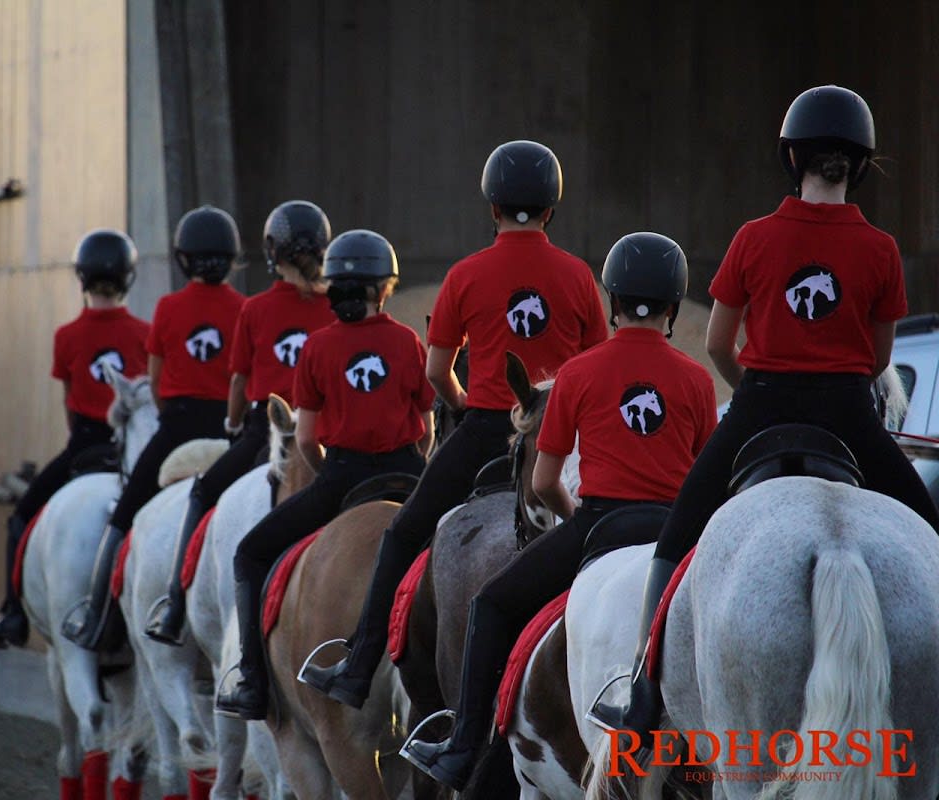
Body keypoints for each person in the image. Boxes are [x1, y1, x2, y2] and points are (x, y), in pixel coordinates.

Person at [590, 85, 939, 739]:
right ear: (858, 164)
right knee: (929, 531)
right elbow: (877, 356)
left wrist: (752, 388)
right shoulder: (882, 250)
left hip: (760, 405)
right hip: (850, 416)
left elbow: (721, 342)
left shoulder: (753, 238)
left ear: (792, 159)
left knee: (678, 531)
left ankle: (640, 691)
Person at [401, 232, 717, 789]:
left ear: (612, 302)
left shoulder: (576, 374)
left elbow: (544, 482)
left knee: (491, 603)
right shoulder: (695, 380)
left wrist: (576, 518)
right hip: (672, 535)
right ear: (674, 307)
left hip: (600, 525)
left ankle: (463, 744)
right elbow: (705, 485)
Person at [300, 140, 608, 708]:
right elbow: (597, 368)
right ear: (551, 209)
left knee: (402, 533)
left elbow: (438, 372)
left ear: (492, 208)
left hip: (489, 428)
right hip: (567, 438)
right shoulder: (579, 276)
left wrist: (466, 407)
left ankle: (359, 661)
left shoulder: (466, 275)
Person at [213, 229, 435, 720]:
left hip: (341, 477)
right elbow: (426, 426)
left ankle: (251, 678)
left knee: (250, 554)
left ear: (333, 287)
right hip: (408, 472)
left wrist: (330, 476)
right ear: (387, 288)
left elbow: (307, 439)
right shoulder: (407, 341)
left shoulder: (316, 347)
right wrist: (415, 465)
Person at [144, 200, 336, 645]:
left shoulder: (254, 308)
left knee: (201, 491)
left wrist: (232, 423)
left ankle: (174, 602)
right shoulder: (332, 308)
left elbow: (238, 381)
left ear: (273, 251)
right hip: (321, 433)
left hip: (261, 433)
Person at [62, 205, 246, 651]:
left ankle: (97, 617)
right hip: (229, 428)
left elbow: (157, 382)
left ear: (183, 259)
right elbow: (244, 376)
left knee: (123, 515)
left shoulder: (167, 307)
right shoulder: (244, 307)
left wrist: (170, 415)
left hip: (177, 427)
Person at [0, 229, 150, 649]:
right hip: (134, 448)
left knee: (21, 518)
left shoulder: (66, 336)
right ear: (128, 277)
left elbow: (69, 404)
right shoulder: (145, 332)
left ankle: (14, 614)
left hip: (84, 448)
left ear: (82, 278)